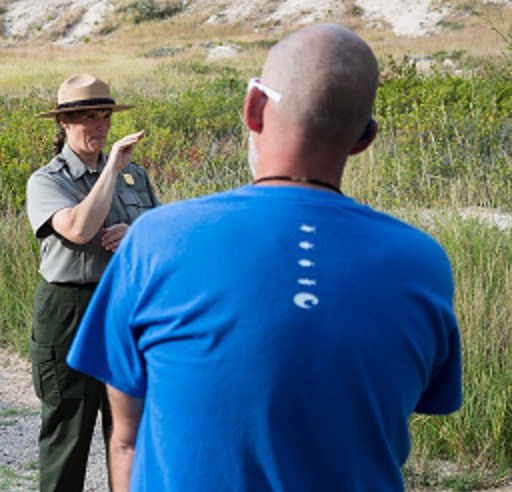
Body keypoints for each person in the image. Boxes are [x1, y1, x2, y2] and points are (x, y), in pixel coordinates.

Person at [67, 24, 462, 492]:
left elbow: (126, 441)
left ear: (254, 107)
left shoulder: (156, 240)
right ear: (365, 137)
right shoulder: (423, 263)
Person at [26, 73, 159, 492]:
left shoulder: (133, 174)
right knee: (68, 438)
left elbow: (159, 234)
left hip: (123, 307)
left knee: (130, 436)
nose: (99, 126)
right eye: (87, 117)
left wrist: (134, 232)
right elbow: (80, 229)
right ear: (63, 123)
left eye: (104, 116)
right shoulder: (47, 180)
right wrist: (111, 170)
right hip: (70, 310)